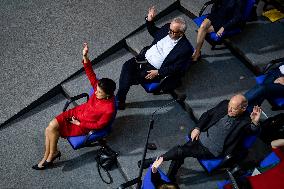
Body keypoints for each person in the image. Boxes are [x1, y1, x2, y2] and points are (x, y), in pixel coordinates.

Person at [32, 43, 116, 170]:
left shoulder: (109, 108)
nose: (96, 92)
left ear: (108, 95)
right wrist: (85, 56)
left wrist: (79, 124)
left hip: (83, 124)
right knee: (50, 127)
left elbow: (99, 125)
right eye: (96, 90)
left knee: (51, 130)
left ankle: (49, 157)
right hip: (77, 112)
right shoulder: (98, 89)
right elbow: (91, 74)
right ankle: (50, 154)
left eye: (99, 92)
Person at [140, 94, 261, 180]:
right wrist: (197, 128)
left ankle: (154, 161)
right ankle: (171, 175)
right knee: (180, 153)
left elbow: (252, 131)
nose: (229, 110)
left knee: (181, 150)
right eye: (229, 105)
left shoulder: (246, 121)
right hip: (201, 136)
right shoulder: (225, 104)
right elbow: (207, 115)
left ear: (243, 108)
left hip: (212, 149)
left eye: (233, 109)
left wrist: (255, 122)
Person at [116, 6, 194, 110]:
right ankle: (119, 99)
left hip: (153, 69)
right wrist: (149, 20)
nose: (169, 32)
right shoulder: (167, 28)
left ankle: (119, 100)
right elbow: (154, 31)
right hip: (143, 57)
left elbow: (176, 68)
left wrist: (158, 72)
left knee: (130, 77)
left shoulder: (185, 48)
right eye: (170, 29)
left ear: (181, 33)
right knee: (126, 66)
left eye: (173, 32)